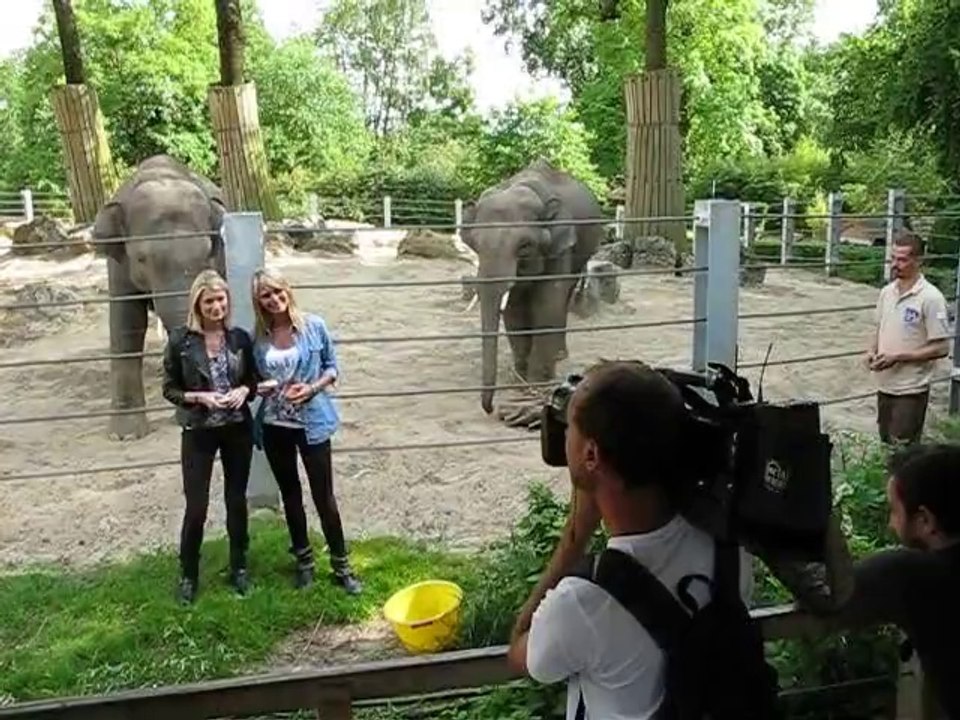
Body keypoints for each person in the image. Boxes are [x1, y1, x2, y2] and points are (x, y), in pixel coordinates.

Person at [506, 361, 753, 719]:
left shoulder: (581, 604)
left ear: (591, 455)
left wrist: (575, 537)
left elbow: (518, 651)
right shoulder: (729, 550)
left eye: (570, 426)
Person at [823, 443, 960, 719]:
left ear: (924, 520)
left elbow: (819, 592)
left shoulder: (908, 574)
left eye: (894, 511)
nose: (890, 524)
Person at [250, 268, 362, 595]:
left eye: (276, 291)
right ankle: (304, 562)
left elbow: (332, 368)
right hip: (274, 425)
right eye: (265, 295)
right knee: (291, 495)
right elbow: (251, 380)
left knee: (323, 496)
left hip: (312, 422)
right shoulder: (259, 337)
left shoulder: (314, 326)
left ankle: (342, 565)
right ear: (259, 302)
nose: (273, 299)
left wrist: (311, 388)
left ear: (287, 289)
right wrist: (261, 388)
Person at [161, 269, 258, 605]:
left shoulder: (240, 338)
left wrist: (244, 390)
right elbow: (169, 389)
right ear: (197, 304)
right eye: (209, 301)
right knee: (197, 507)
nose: (216, 307)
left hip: (237, 429)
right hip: (198, 430)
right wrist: (198, 398)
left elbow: (254, 382)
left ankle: (240, 566)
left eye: (221, 300)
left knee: (236, 500)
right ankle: (188, 574)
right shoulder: (180, 340)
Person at [866, 230, 950, 445]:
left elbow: (941, 348)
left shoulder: (931, 298)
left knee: (902, 449)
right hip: (885, 385)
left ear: (918, 260)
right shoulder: (886, 292)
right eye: (893, 258)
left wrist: (899, 357)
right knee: (885, 445)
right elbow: (879, 327)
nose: (896, 264)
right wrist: (871, 351)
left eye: (902, 259)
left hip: (910, 388)